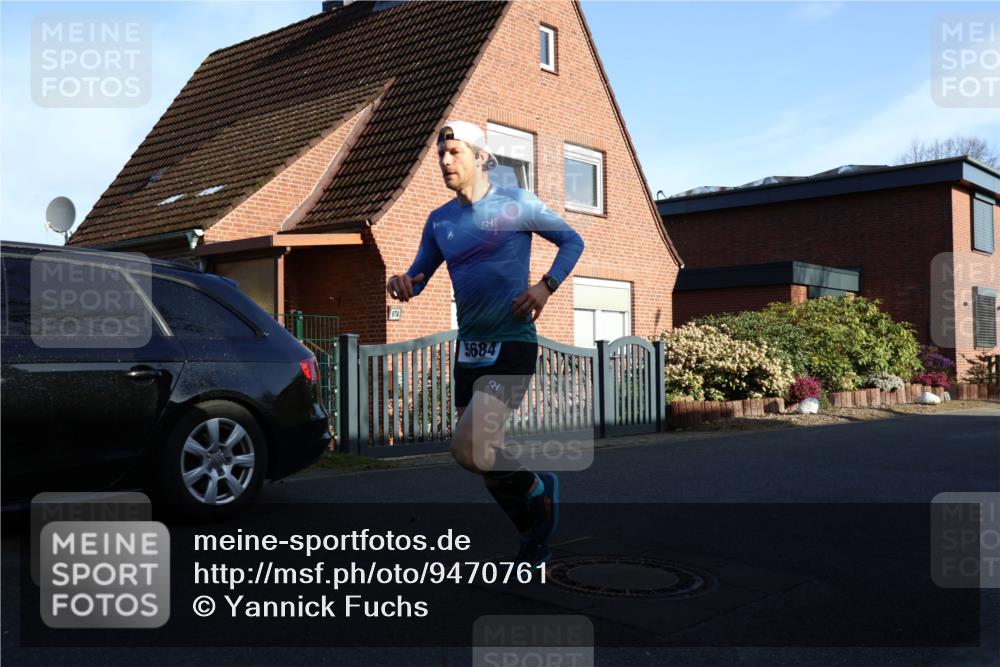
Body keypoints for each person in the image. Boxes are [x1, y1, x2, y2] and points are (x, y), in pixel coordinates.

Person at [386, 120, 584, 564]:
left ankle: (537, 486)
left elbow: (572, 240)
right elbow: (418, 277)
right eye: (441, 154)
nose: (445, 161)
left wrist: (546, 286)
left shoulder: (516, 203)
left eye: (455, 152)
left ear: (481, 158)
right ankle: (532, 533)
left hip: (512, 342)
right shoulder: (439, 221)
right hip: (470, 348)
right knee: (483, 456)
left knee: (468, 447)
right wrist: (402, 283)